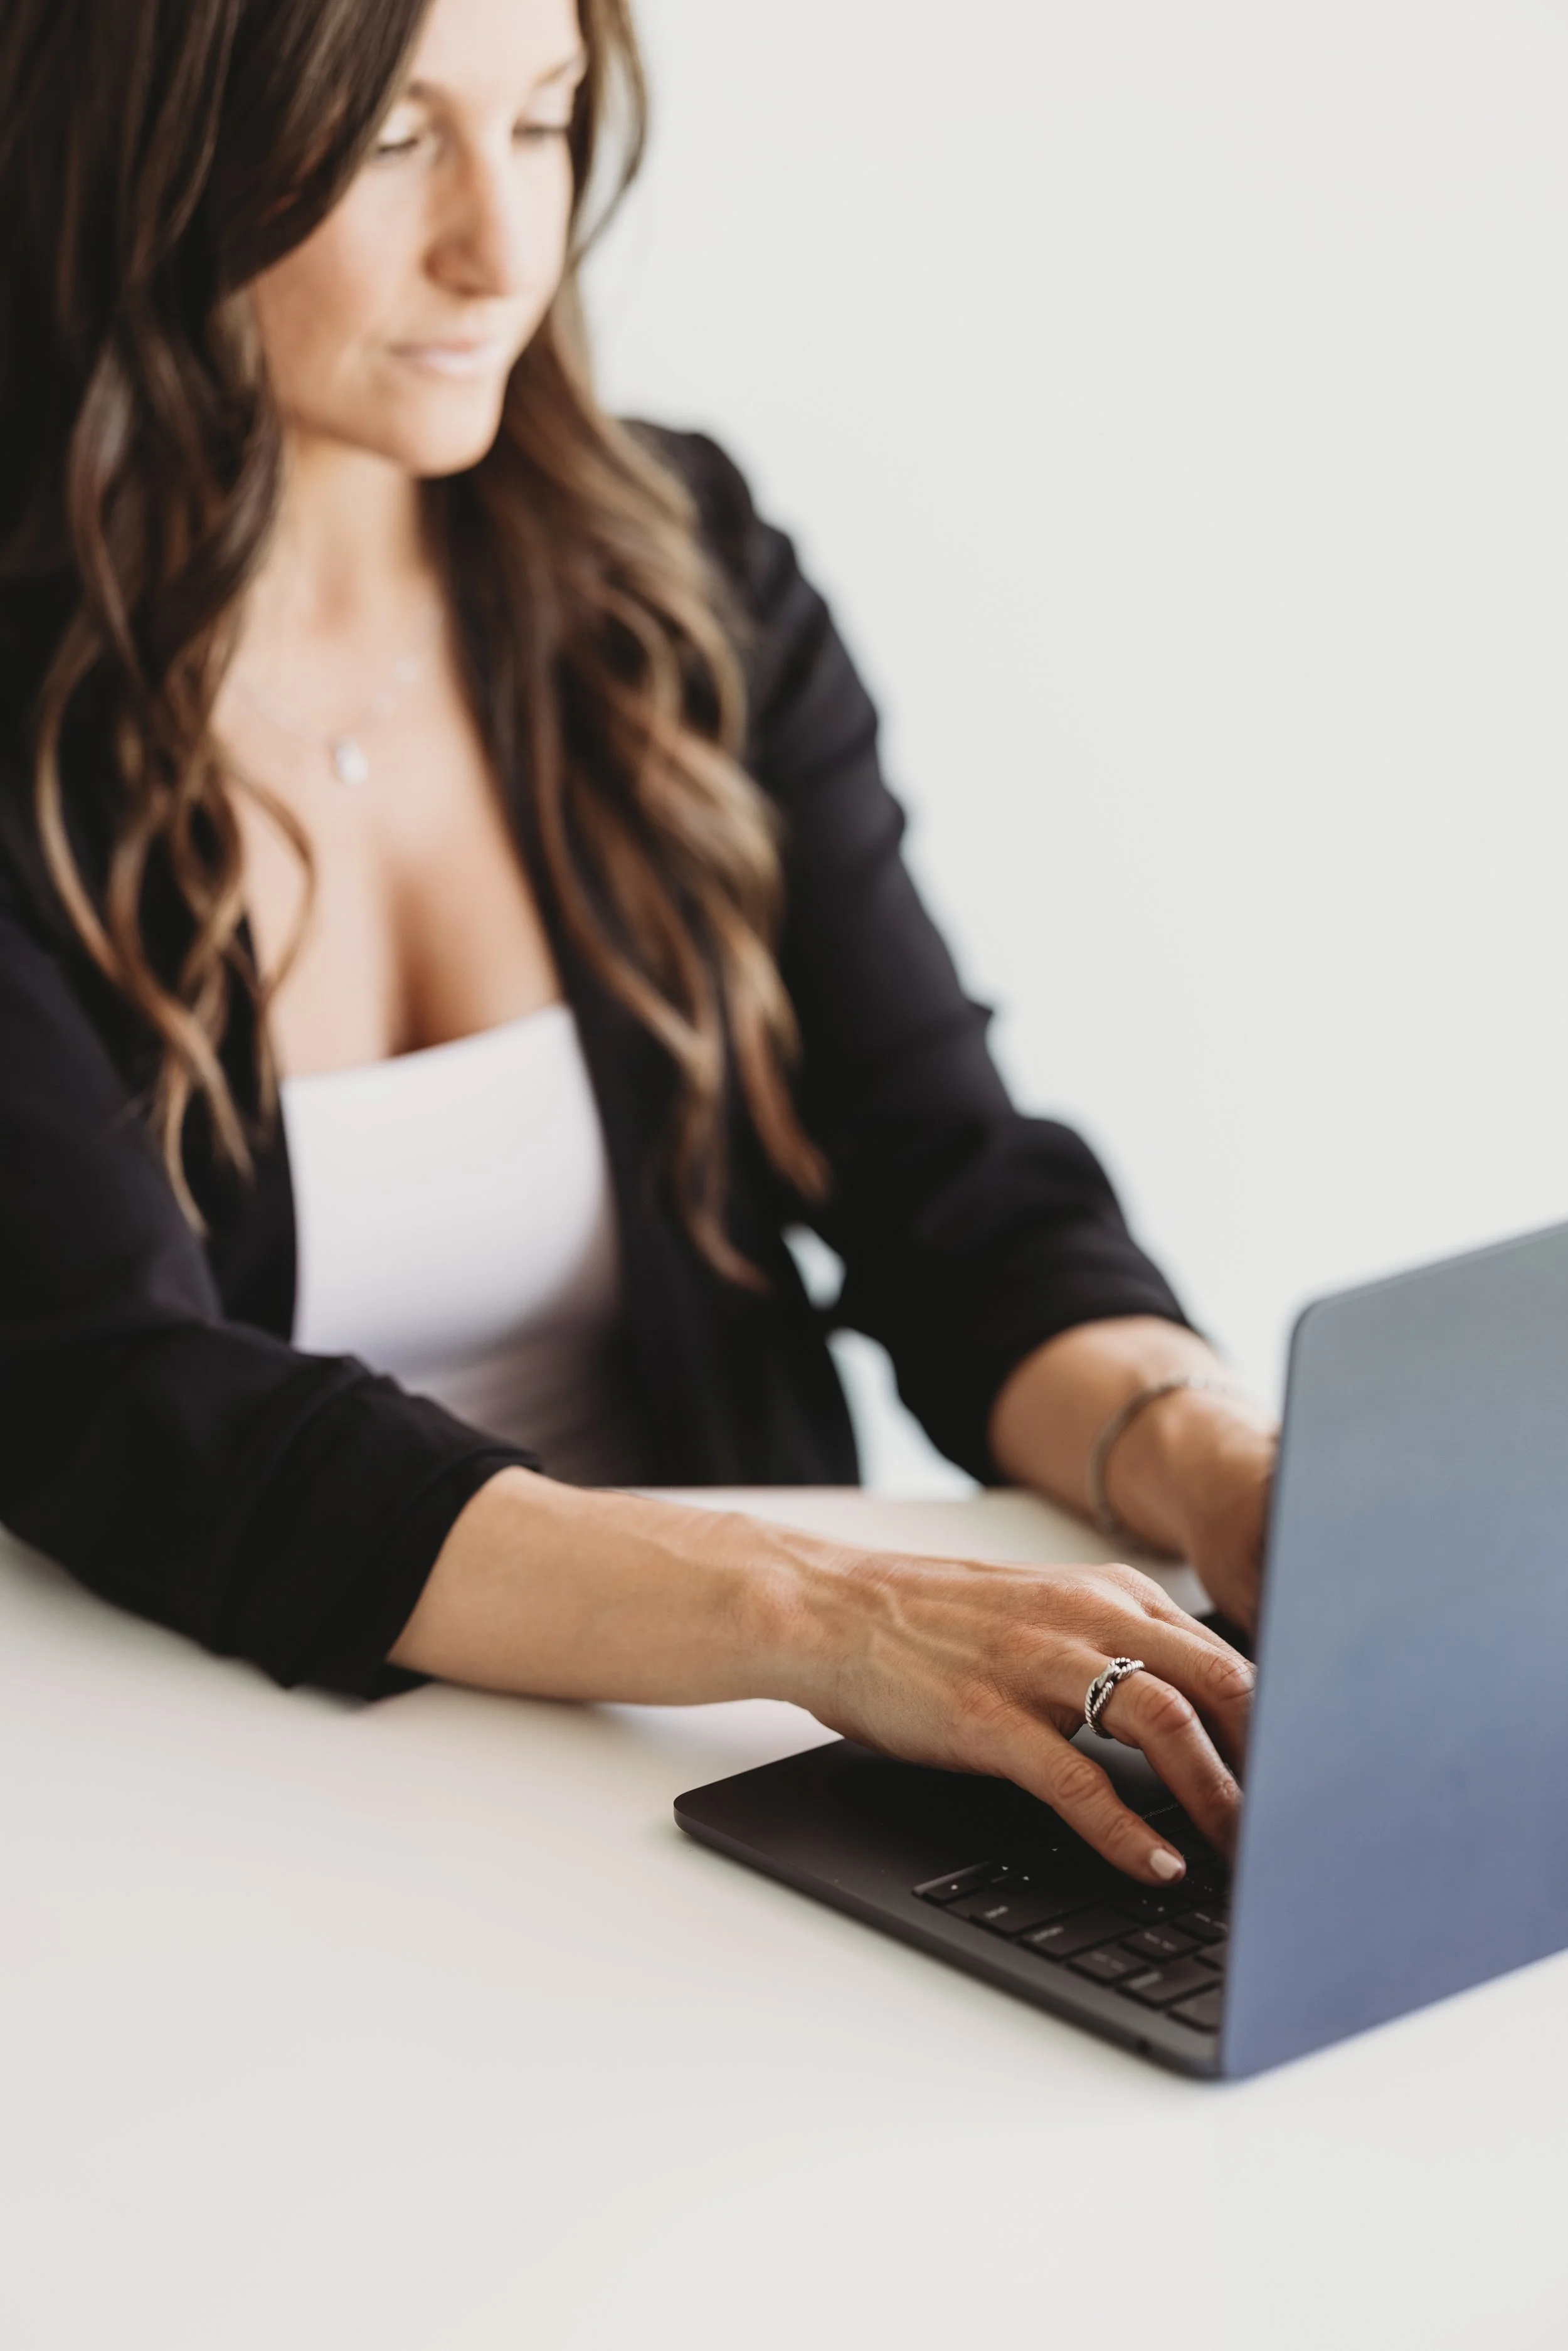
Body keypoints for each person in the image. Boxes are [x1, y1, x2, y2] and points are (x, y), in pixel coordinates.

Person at [0, 0, 1277, 1887]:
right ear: (146, 148)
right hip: (241, 1806)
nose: (500, 249)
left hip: (705, 1783)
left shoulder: (682, 573)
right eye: (387, 142)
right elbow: (120, 1393)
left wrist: (1217, 1461)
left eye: (542, 122)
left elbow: (952, 1196)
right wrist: (826, 1613)